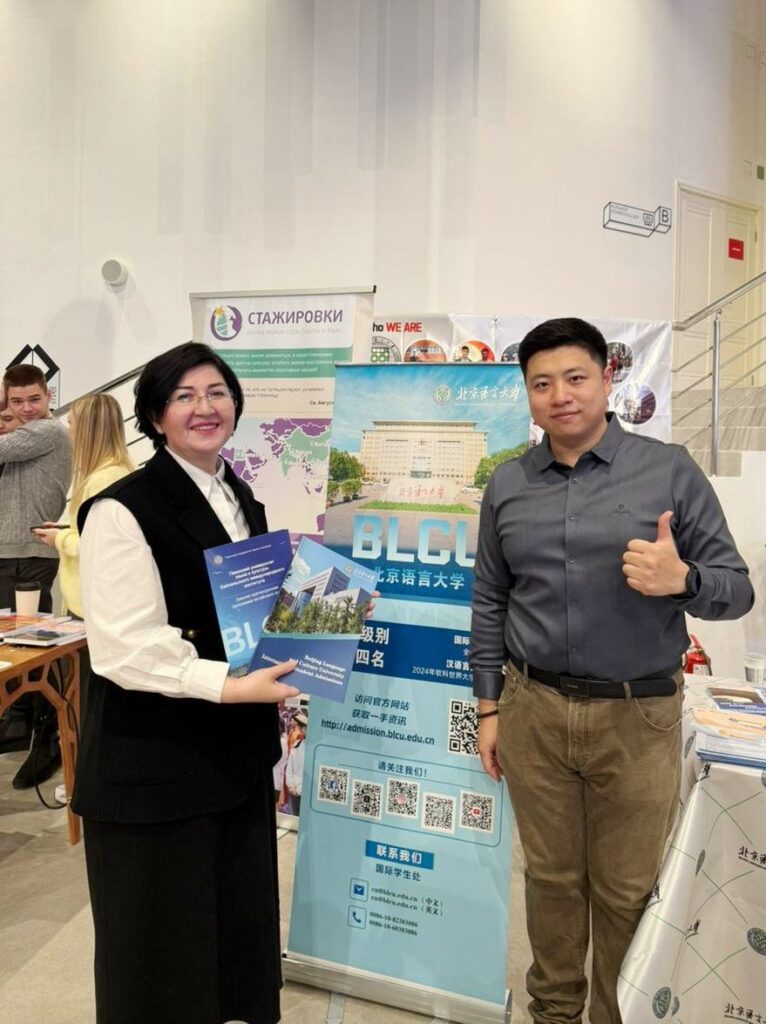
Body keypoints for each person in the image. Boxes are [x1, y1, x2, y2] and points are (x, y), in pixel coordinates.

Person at [469, 317, 754, 1024]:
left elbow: (737, 588)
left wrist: (683, 581)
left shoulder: (668, 470)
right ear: (527, 394)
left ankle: (615, 1015)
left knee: (626, 890)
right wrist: (488, 708)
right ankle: (554, 1013)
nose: (560, 396)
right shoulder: (508, 483)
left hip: (638, 717)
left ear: (607, 379)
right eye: (542, 383)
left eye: (575, 378)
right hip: (532, 709)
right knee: (551, 880)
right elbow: (490, 600)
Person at [72, 342, 302, 1024]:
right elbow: (124, 647)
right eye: (184, 396)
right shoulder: (122, 509)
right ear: (154, 416)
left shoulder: (241, 497)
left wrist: (312, 629)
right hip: (154, 767)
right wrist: (232, 686)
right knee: (160, 959)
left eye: (217, 392)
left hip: (233, 761)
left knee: (230, 944)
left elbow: (245, 619)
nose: (205, 408)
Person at [0, 364, 72, 787]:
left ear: (48, 397)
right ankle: (18, 723)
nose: (26, 408)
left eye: (33, 399)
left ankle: (49, 738)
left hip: (30, 554)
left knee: (36, 650)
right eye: (16, 401)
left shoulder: (48, 431)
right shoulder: (16, 436)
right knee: (13, 647)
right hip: (8, 553)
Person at [31, 393, 135, 617]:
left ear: (87, 429)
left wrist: (59, 538)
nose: (67, 430)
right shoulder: (113, 472)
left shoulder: (103, 480)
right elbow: (94, 530)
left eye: (70, 423)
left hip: (94, 604)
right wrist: (66, 528)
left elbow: (98, 545)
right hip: (96, 602)